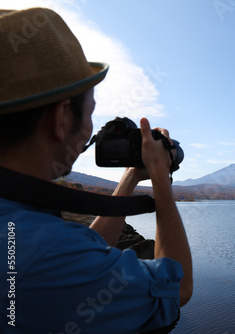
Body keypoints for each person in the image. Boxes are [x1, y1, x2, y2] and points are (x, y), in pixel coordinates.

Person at [0, 7, 192, 333]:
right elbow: (177, 289)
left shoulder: (22, 221)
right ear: (61, 118)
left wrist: (131, 177)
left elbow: (82, 249)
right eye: (90, 112)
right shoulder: (40, 252)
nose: (91, 129)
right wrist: (160, 179)